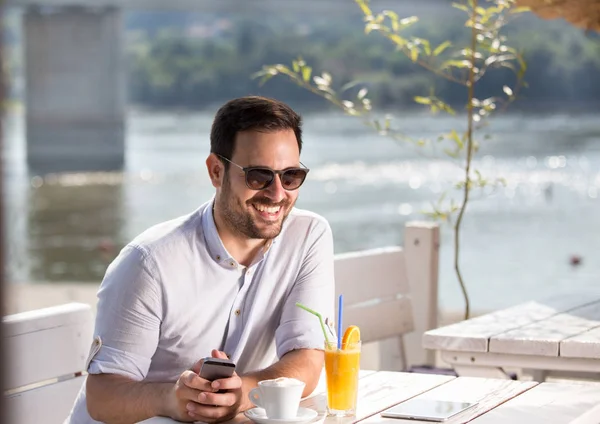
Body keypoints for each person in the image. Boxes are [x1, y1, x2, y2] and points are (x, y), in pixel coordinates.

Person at [66, 96, 335, 423]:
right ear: (216, 171)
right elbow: (102, 397)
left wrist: (241, 394)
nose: (278, 194)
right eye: (258, 176)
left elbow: (306, 358)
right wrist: (172, 398)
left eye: (290, 176)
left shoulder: (308, 237)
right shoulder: (149, 263)